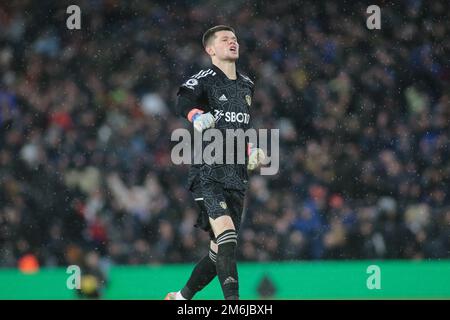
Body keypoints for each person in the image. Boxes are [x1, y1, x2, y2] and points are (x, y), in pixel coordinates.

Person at [165, 25, 264, 300]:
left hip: (236, 174)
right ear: (211, 50)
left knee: (219, 249)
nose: (232, 42)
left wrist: (251, 150)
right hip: (208, 170)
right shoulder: (205, 78)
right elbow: (182, 100)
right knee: (227, 235)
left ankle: (180, 298)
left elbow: (240, 126)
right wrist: (196, 115)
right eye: (225, 40)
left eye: (234, 39)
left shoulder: (246, 84)